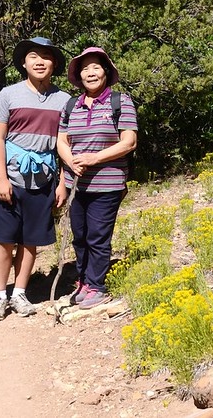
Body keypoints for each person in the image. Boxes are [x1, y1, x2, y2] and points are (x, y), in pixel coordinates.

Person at [0, 36, 71, 321]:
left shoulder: (64, 100)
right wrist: (2, 178)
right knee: (3, 239)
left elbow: (63, 144)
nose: (39, 62)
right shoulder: (8, 95)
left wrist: (62, 183)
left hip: (43, 179)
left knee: (30, 240)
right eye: (34, 56)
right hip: (10, 176)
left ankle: (19, 293)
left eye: (46, 56)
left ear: (54, 64)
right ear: (23, 63)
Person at [57, 47, 137, 309]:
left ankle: (97, 286)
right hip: (76, 184)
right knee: (79, 236)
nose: (90, 72)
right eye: (85, 68)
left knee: (98, 236)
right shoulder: (71, 105)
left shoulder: (120, 102)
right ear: (79, 76)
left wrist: (94, 159)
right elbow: (61, 141)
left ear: (106, 72)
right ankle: (83, 280)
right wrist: (71, 161)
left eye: (95, 67)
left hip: (108, 184)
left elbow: (129, 142)